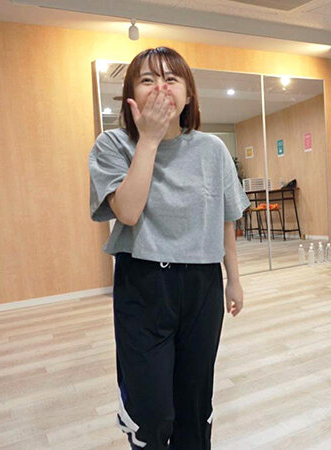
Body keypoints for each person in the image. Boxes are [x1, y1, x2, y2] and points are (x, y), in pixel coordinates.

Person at [88, 47, 250, 449]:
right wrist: (149, 140)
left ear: (188, 95)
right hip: (144, 285)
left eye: (171, 79)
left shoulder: (212, 149)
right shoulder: (113, 145)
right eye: (147, 79)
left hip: (202, 285)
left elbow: (226, 219)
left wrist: (233, 279)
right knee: (152, 411)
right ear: (131, 95)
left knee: (195, 402)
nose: (160, 87)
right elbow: (127, 212)